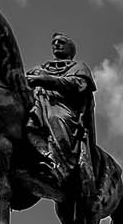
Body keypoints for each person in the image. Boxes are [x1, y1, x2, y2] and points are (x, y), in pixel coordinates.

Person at [26, 31, 98, 183]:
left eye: (61, 42)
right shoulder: (40, 68)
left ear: (70, 49)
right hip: (39, 102)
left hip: (62, 106)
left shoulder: (79, 67)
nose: (56, 44)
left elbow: (79, 84)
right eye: (54, 42)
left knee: (56, 118)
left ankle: (61, 167)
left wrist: (48, 80)